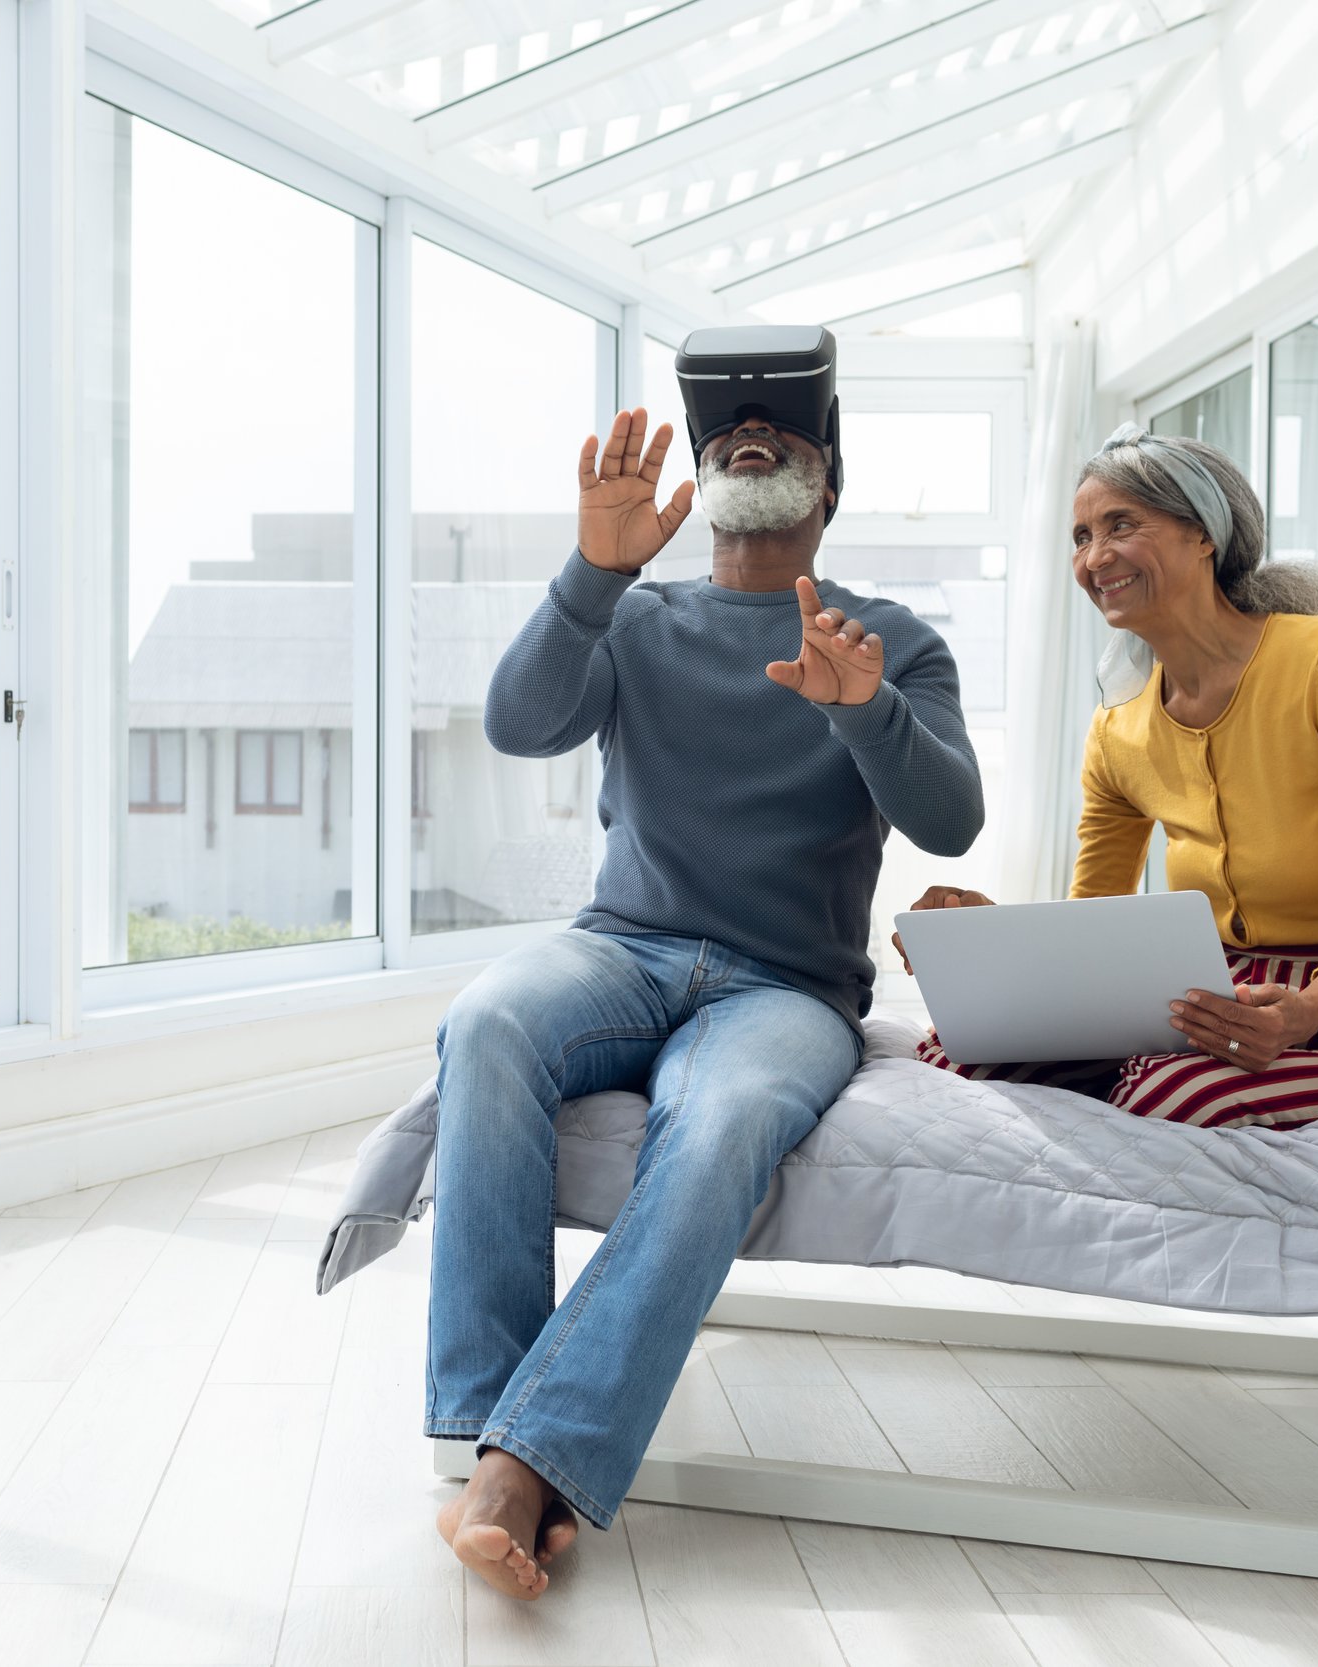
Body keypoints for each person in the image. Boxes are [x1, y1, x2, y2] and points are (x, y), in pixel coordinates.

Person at [427, 391, 984, 1601]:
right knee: (486, 1022)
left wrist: (863, 709)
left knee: (723, 1119)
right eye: (728, 421)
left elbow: (950, 820)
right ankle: (477, 1423)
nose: (750, 427)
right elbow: (517, 726)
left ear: (825, 488)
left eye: (783, 426)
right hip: (621, 948)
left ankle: (528, 1456)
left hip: (785, 987)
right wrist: (589, 570)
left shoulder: (888, 638)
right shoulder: (634, 618)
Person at [904, 424, 1318, 1129]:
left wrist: (1310, 1005)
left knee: (1165, 1095)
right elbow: (1093, 925)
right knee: (952, 1059)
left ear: (1204, 534)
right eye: (1080, 537)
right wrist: (991, 947)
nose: (1094, 557)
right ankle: (1145, 1078)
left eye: (1120, 524)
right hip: (1209, 994)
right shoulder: (1117, 725)